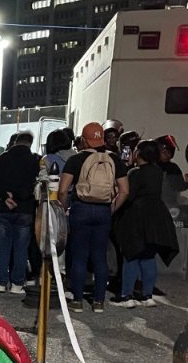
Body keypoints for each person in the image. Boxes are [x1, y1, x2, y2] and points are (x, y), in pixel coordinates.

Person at [58, 121, 129, 314]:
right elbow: (124, 190)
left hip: (80, 209)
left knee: (79, 256)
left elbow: (63, 190)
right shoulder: (114, 159)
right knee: (99, 255)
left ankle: (77, 301)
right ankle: (98, 301)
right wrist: (112, 208)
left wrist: (64, 209)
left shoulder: (76, 159)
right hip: (103, 210)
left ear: (84, 140)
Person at [111, 140, 179, 307]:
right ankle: (147, 295)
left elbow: (129, 195)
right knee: (148, 257)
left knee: (131, 255)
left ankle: (126, 296)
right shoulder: (157, 171)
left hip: (137, 216)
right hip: (156, 216)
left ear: (139, 153)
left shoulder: (136, 173)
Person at [0, 131, 39, 294]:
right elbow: (35, 184)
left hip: (3, 208)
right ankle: (17, 284)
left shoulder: (0, 159)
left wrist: (5, 197)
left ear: (15, 141)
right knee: (21, 248)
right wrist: (19, 197)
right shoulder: (34, 161)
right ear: (30, 143)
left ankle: (1, 283)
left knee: (3, 247)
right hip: (24, 209)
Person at [155, 135, 188, 213]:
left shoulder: (172, 167)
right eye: (164, 152)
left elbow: (178, 185)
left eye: (169, 152)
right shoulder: (172, 168)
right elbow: (179, 186)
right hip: (168, 206)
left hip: (167, 206)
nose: (167, 155)